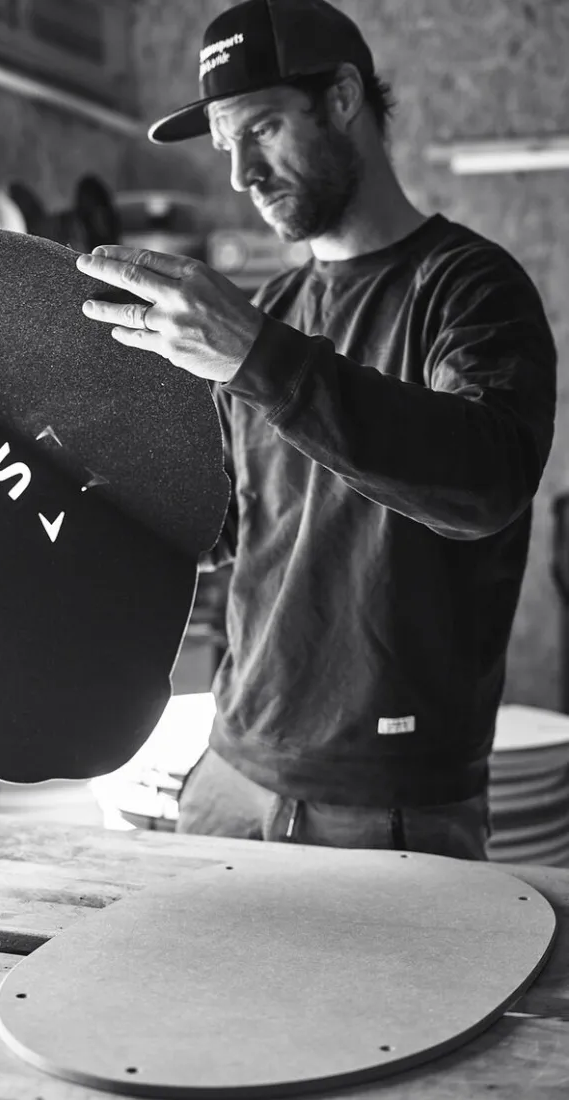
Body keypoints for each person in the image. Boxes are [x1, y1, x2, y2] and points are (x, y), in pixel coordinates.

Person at [76, 0, 556, 859]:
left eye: (260, 128)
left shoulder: (469, 289)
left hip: (387, 795)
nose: (241, 174)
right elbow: (224, 526)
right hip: (230, 772)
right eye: (224, 143)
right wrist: (82, 477)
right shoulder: (273, 310)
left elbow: (485, 485)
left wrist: (259, 357)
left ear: (341, 98)